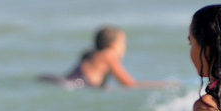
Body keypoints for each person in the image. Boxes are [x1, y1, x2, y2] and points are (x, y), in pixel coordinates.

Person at [40, 26, 175, 89]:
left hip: (61, 81)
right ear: (113, 45)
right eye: (123, 43)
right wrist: (163, 84)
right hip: (71, 85)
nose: (124, 47)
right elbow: (128, 84)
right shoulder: (109, 55)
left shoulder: (91, 54)